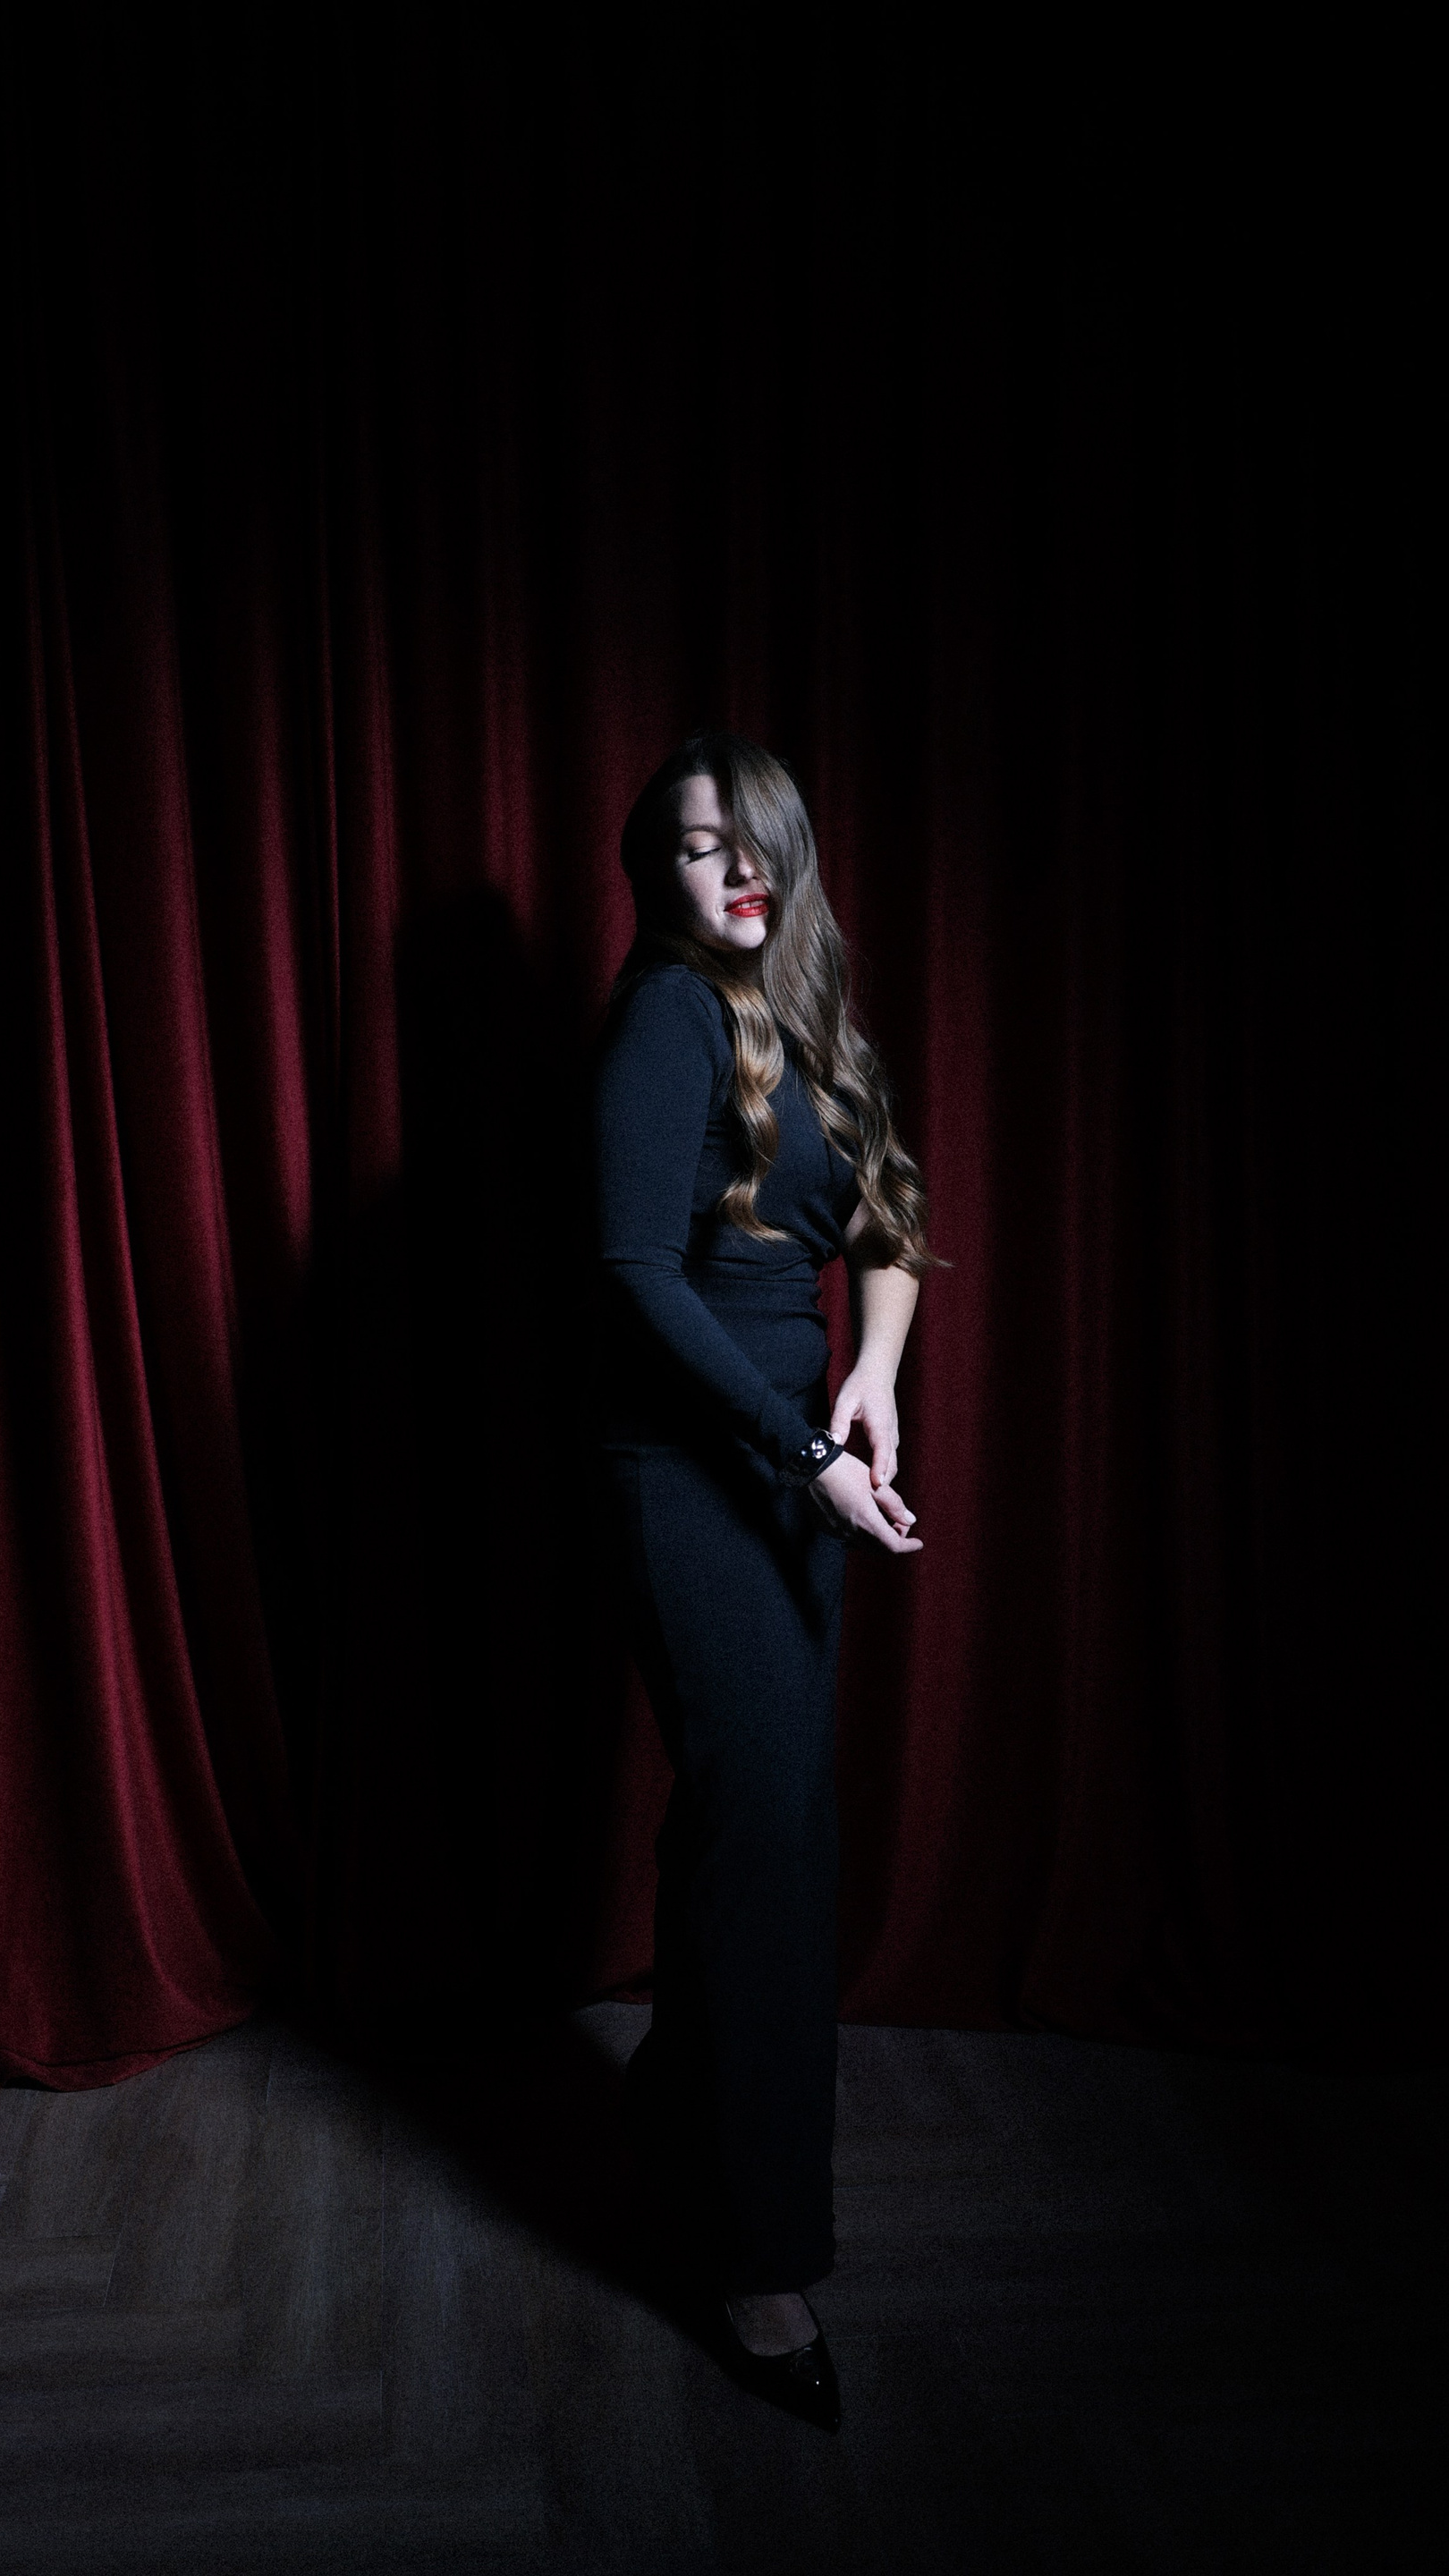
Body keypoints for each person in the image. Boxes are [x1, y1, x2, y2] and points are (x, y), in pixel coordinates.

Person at [595, 731, 932, 2430]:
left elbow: (887, 1219)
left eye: (751, 840)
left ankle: (678, 2127)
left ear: (791, 853)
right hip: (695, 1473)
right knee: (768, 1846)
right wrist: (803, 1454)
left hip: (802, 1467)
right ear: (655, 875)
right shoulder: (666, 1017)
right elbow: (632, 1274)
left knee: (760, 1824)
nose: (730, 868)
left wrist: (869, 1375)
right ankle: (752, 2252)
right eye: (692, 844)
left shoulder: (807, 1020)